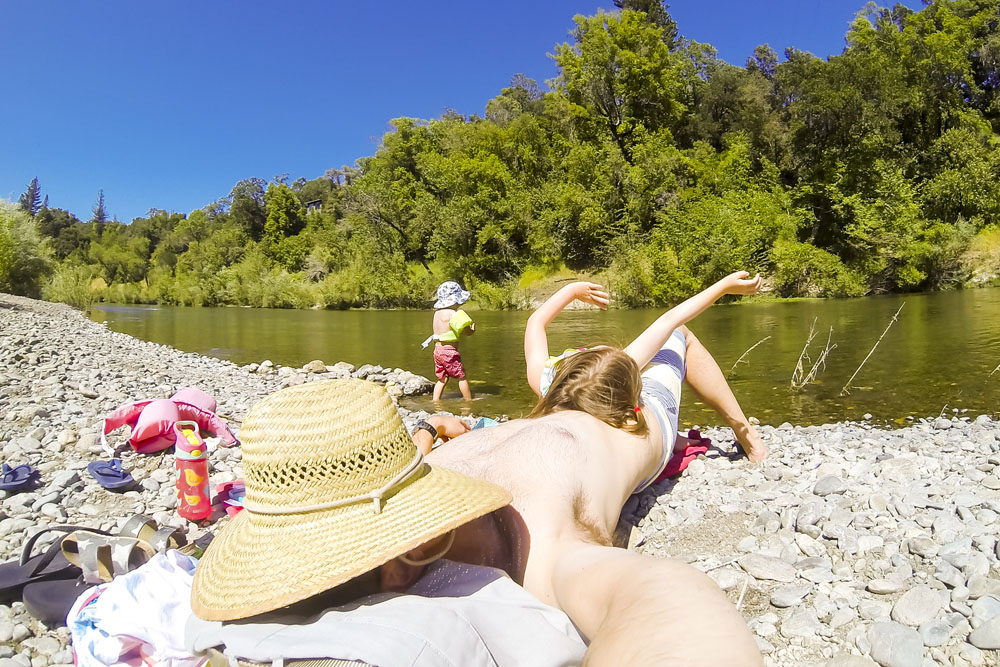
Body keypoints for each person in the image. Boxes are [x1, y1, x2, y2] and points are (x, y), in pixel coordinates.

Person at [192, 379, 763, 666]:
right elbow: (669, 599)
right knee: (674, 347)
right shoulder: (536, 549)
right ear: (404, 560)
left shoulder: (384, 471)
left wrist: (430, 432)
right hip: (633, 421)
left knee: (636, 353)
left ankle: (741, 425)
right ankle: (742, 424)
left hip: (549, 403)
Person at [524, 272, 769, 468]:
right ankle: (746, 433)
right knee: (680, 333)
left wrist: (572, 291)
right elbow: (671, 320)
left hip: (608, 424)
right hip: (655, 420)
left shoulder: (547, 381)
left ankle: (677, 437)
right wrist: (723, 287)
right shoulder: (620, 368)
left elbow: (535, 322)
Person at [422, 280, 476, 401]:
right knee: (461, 376)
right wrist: (472, 329)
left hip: (437, 351)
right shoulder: (454, 314)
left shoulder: (437, 314)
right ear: (455, 300)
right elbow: (466, 332)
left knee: (442, 378)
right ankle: (469, 401)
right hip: (449, 352)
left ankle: (435, 401)